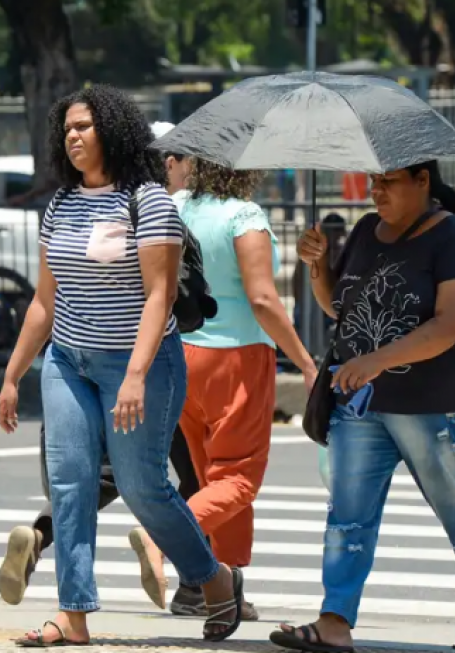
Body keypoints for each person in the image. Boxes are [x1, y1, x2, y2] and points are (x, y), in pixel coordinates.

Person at [0, 85, 244, 647]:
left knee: (143, 487)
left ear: (113, 130)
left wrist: (134, 374)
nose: (73, 137)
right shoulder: (60, 204)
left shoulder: (148, 200)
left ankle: (213, 577)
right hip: (68, 360)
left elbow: (158, 297)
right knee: (70, 484)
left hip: (142, 365)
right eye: (66, 130)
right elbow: (43, 300)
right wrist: (12, 375)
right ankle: (73, 614)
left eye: (84, 126)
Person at [270, 160, 455, 653]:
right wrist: (317, 267)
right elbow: (342, 305)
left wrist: (377, 360)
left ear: (423, 182)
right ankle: (334, 621)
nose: (375, 191)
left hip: (437, 405)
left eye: (388, 182)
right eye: (373, 181)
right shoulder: (364, 230)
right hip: (362, 405)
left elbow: (454, 325)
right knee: (347, 516)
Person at [129, 158, 320, 621]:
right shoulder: (244, 216)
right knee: (238, 479)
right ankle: (161, 536)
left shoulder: (176, 206)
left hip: (183, 354)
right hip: (237, 357)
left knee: (216, 480)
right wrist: (307, 363)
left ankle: (228, 581)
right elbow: (262, 298)